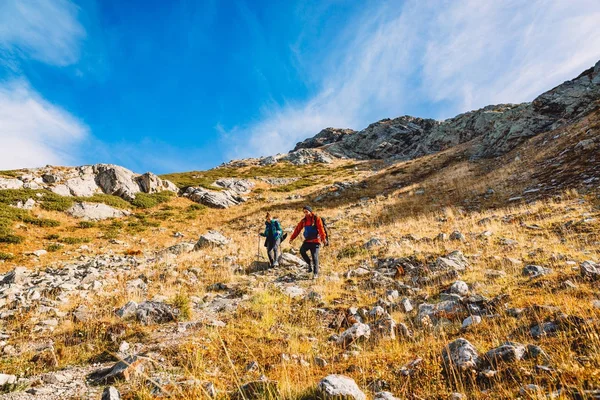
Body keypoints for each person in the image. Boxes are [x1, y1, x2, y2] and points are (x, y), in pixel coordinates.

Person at [290, 205, 327, 278]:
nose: (305, 213)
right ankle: (309, 264)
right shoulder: (304, 220)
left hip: (316, 241)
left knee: (315, 256)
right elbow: (298, 229)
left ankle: (315, 273)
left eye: (306, 211)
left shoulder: (316, 219)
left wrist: (323, 239)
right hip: (307, 241)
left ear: (310, 211)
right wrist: (292, 238)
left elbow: (321, 229)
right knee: (302, 251)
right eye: (304, 212)